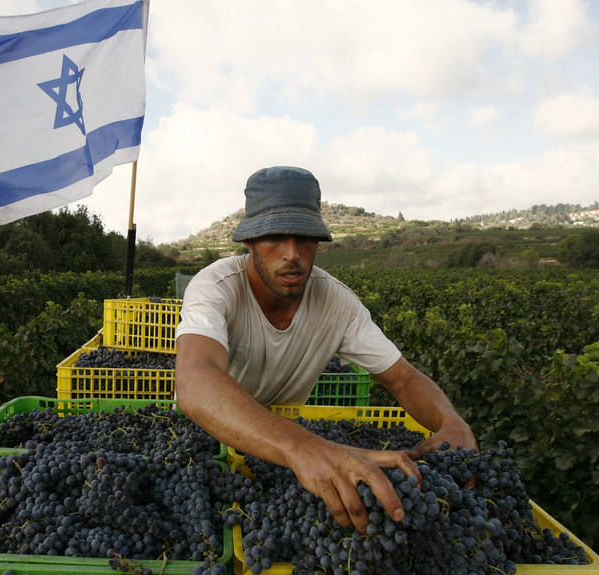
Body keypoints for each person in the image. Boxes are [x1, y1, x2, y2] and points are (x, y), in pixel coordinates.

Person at [174, 165, 477, 534]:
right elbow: (194, 379)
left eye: (305, 238)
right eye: (274, 237)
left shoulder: (337, 303)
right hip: (209, 444)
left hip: (289, 457)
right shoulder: (216, 287)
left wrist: (451, 421)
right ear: (249, 241)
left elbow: (403, 378)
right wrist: (302, 446)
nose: (292, 254)